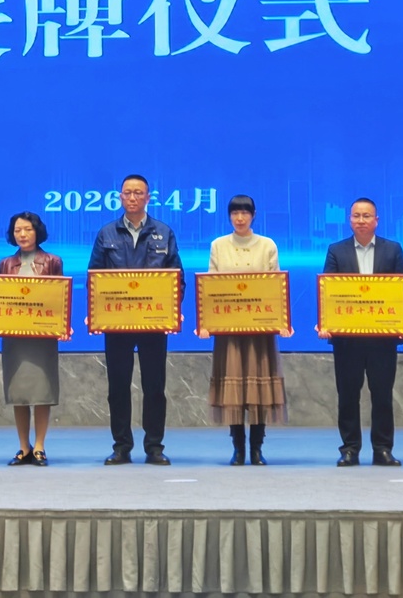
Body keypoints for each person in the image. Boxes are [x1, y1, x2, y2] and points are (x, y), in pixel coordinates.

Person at [88, 173, 183, 466]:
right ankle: (122, 447)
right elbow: (94, 278)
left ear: (148, 197)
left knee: (154, 387)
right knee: (118, 387)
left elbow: (177, 278)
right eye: (127, 193)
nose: (132, 197)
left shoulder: (163, 232)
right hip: (117, 324)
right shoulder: (106, 233)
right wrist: (96, 312)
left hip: (154, 323)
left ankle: (154, 447)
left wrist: (171, 309)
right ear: (120, 197)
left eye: (138, 193)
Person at [321, 197, 403, 467]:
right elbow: (329, 292)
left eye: (366, 216)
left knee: (382, 395)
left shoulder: (392, 250)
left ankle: (382, 449)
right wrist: (325, 321)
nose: (361, 220)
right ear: (349, 220)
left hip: (382, 339)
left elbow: (402, 290)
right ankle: (350, 449)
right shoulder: (336, 250)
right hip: (347, 340)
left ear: (376, 220)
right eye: (356, 216)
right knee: (348, 395)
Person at [203, 194, 287, 465]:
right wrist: (206, 323)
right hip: (229, 331)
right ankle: (238, 448)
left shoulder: (267, 245)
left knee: (258, 391)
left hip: (259, 331)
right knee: (234, 390)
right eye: (235, 213)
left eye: (245, 213)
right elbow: (211, 287)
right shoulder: (218, 245)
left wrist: (281, 321)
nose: (240, 218)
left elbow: (276, 287)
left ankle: (257, 448)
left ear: (253, 215)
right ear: (229, 216)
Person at [0, 210, 64, 467]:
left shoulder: (52, 261)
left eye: (27, 229)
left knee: (42, 391)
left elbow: (60, 298)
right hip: (15, 337)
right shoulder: (5, 264)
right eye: (17, 230)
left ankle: (40, 446)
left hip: (43, 335)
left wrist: (61, 325)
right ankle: (23, 446)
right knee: (19, 392)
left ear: (37, 232)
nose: (22, 234)